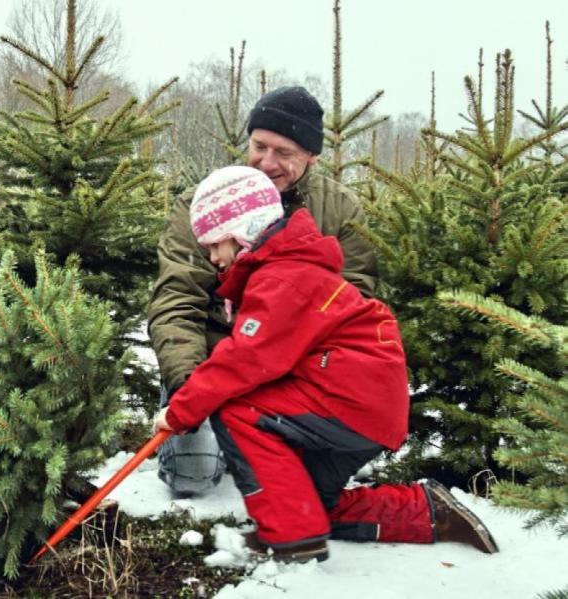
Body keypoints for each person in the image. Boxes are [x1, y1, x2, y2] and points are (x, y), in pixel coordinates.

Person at [151, 165, 499, 563]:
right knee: (303, 503)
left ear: (242, 231)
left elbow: (243, 360)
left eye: (215, 244)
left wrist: (181, 411)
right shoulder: (286, 269)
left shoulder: (282, 278)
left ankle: (294, 542)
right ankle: (427, 512)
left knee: (236, 409)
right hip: (363, 407)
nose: (212, 257)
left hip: (348, 402)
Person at [148, 86, 376, 496]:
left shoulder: (339, 210)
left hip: (296, 369)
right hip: (213, 362)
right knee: (192, 476)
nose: (266, 162)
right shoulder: (203, 203)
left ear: (312, 157)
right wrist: (188, 388)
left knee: (299, 486)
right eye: (259, 146)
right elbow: (176, 299)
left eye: (284, 153)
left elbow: (355, 303)